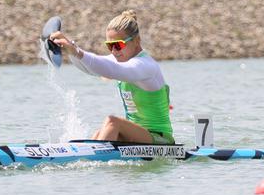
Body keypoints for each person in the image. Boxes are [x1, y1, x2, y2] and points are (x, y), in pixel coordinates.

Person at [49, 10, 174, 144]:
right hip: (136, 137)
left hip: (160, 139)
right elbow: (90, 68)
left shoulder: (146, 66)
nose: (114, 51)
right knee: (100, 132)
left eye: (118, 45)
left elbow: (111, 69)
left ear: (137, 41)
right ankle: (82, 159)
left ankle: (93, 160)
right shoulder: (123, 59)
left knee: (112, 122)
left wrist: (75, 50)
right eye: (110, 46)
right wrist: (70, 48)